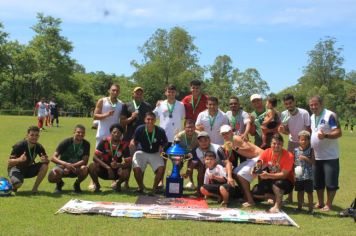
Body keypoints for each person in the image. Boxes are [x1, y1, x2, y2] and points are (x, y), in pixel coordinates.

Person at [309, 95, 342, 211]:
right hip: (317, 156)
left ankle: (329, 204)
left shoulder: (330, 115)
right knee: (318, 182)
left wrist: (326, 136)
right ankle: (320, 202)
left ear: (321, 104)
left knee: (330, 182)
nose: (313, 107)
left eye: (315, 104)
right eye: (311, 105)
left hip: (330, 156)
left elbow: (338, 132)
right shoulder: (312, 117)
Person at [218, 125, 264, 207]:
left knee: (241, 174)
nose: (225, 135)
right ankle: (245, 195)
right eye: (223, 134)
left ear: (231, 132)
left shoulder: (236, 138)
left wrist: (235, 148)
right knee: (235, 172)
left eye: (227, 133)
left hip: (261, 157)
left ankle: (250, 200)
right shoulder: (229, 141)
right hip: (253, 158)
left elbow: (251, 150)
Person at [278, 93, 311, 203]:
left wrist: (305, 145)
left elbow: (308, 130)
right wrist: (283, 131)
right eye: (286, 104)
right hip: (291, 143)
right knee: (289, 170)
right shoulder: (284, 114)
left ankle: (304, 198)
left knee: (303, 171)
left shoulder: (304, 113)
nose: (289, 105)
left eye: (290, 103)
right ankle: (290, 197)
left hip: (304, 144)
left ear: (294, 102)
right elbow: (287, 131)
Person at [251, 133, 294, 213]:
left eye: (279, 144)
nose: (276, 146)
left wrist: (268, 175)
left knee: (278, 183)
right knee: (255, 192)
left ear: (282, 144)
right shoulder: (267, 151)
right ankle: (272, 197)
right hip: (271, 179)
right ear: (270, 144)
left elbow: (283, 175)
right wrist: (254, 170)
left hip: (286, 182)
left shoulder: (289, 156)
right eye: (274, 143)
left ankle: (277, 206)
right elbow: (259, 164)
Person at [120, 87, 153, 189]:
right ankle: (126, 182)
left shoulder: (147, 106)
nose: (138, 95)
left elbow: (150, 121)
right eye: (136, 93)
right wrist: (132, 117)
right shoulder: (126, 105)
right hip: (128, 137)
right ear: (133, 94)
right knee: (128, 160)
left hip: (143, 138)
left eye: (140, 93)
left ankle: (140, 184)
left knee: (141, 161)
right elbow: (122, 122)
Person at [130, 112, 168, 194]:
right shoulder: (139, 129)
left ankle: (154, 188)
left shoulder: (160, 131)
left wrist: (161, 146)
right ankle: (140, 187)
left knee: (161, 168)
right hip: (142, 152)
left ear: (155, 120)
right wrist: (132, 143)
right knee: (136, 168)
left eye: (152, 119)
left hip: (155, 152)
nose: (150, 121)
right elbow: (135, 140)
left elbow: (165, 142)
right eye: (148, 119)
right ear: (144, 120)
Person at [89, 123, 131, 192]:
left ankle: (118, 184)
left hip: (116, 171)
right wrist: (107, 167)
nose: (116, 134)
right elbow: (95, 157)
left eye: (118, 132)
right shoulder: (104, 141)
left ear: (121, 134)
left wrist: (118, 165)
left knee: (126, 170)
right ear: (111, 133)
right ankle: (97, 185)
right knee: (91, 166)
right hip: (103, 169)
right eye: (114, 132)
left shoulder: (124, 145)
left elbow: (128, 163)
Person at [48, 124, 90, 193]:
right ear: (74, 132)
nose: (80, 134)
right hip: (62, 167)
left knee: (85, 168)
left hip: (76, 168)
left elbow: (85, 161)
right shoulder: (66, 142)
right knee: (52, 176)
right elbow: (53, 158)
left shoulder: (86, 144)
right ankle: (59, 184)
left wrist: (71, 166)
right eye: (78, 132)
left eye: (82, 133)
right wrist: (65, 164)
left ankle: (77, 184)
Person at [7, 126, 49, 193]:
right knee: (18, 184)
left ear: (39, 136)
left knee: (45, 165)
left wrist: (45, 160)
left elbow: (46, 160)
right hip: (16, 169)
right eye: (32, 135)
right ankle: (10, 184)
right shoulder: (19, 145)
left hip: (28, 169)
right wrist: (19, 160)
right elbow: (9, 162)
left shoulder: (39, 147)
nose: (34, 137)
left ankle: (35, 189)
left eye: (36, 135)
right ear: (27, 135)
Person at [174, 119, 199, 189]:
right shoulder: (179, 136)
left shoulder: (199, 135)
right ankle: (177, 182)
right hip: (181, 153)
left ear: (195, 127)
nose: (190, 129)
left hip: (193, 154)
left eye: (192, 127)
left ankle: (192, 183)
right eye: (188, 127)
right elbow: (175, 149)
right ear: (184, 128)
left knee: (191, 165)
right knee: (177, 165)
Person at [294, 130, 315, 214]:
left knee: (309, 192)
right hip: (299, 175)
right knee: (299, 192)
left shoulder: (311, 150)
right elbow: (293, 162)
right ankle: (299, 207)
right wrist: (293, 173)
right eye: (301, 139)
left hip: (308, 176)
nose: (303, 141)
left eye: (305, 139)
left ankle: (311, 209)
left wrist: (305, 158)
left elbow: (313, 162)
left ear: (308, 140)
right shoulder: (295, 150)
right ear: (298, 140)